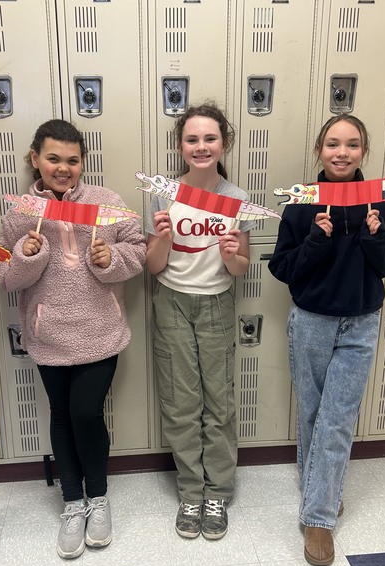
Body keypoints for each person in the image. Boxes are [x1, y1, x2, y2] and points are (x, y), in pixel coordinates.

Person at [0, 119, 145, 559]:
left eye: (72, 160)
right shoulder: (21, 211)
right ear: (35, 160)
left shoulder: (107, 203)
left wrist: (111, 257)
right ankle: (72, 503)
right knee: (61, 415)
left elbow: (137, 250)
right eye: (53, 159)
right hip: (48, 335)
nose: (63, 168)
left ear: (83, 162)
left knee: (85, 411)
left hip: (100, 331)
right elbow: (4, 276)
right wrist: (28, 255)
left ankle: (97, 499)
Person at [268, 115, 385, 566]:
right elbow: (282, 269)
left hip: (361, 322)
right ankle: (322, 491)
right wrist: (315, 240)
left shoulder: (381, 203)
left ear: (363, 152)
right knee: (313, 413)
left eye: (352, 145)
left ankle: (318, 518)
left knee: (338, 418)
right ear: (319, 150)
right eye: (333, 144)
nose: (342, 152)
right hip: (311, 321)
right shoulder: (301, 204)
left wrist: (376, 236)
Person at [145, 102, 253, 540]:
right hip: (171, 302)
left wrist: (232, 256)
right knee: (180, 402)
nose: (201, 146)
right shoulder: (162, 193)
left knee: (219, 402)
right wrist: (164, 241)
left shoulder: (237, 198)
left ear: (223, 143)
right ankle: (191, 489)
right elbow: (152, 267)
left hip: (217, 306)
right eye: (192, 139)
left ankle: (218, 492)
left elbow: (241, 267)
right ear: (180, 145)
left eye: (210, 138)